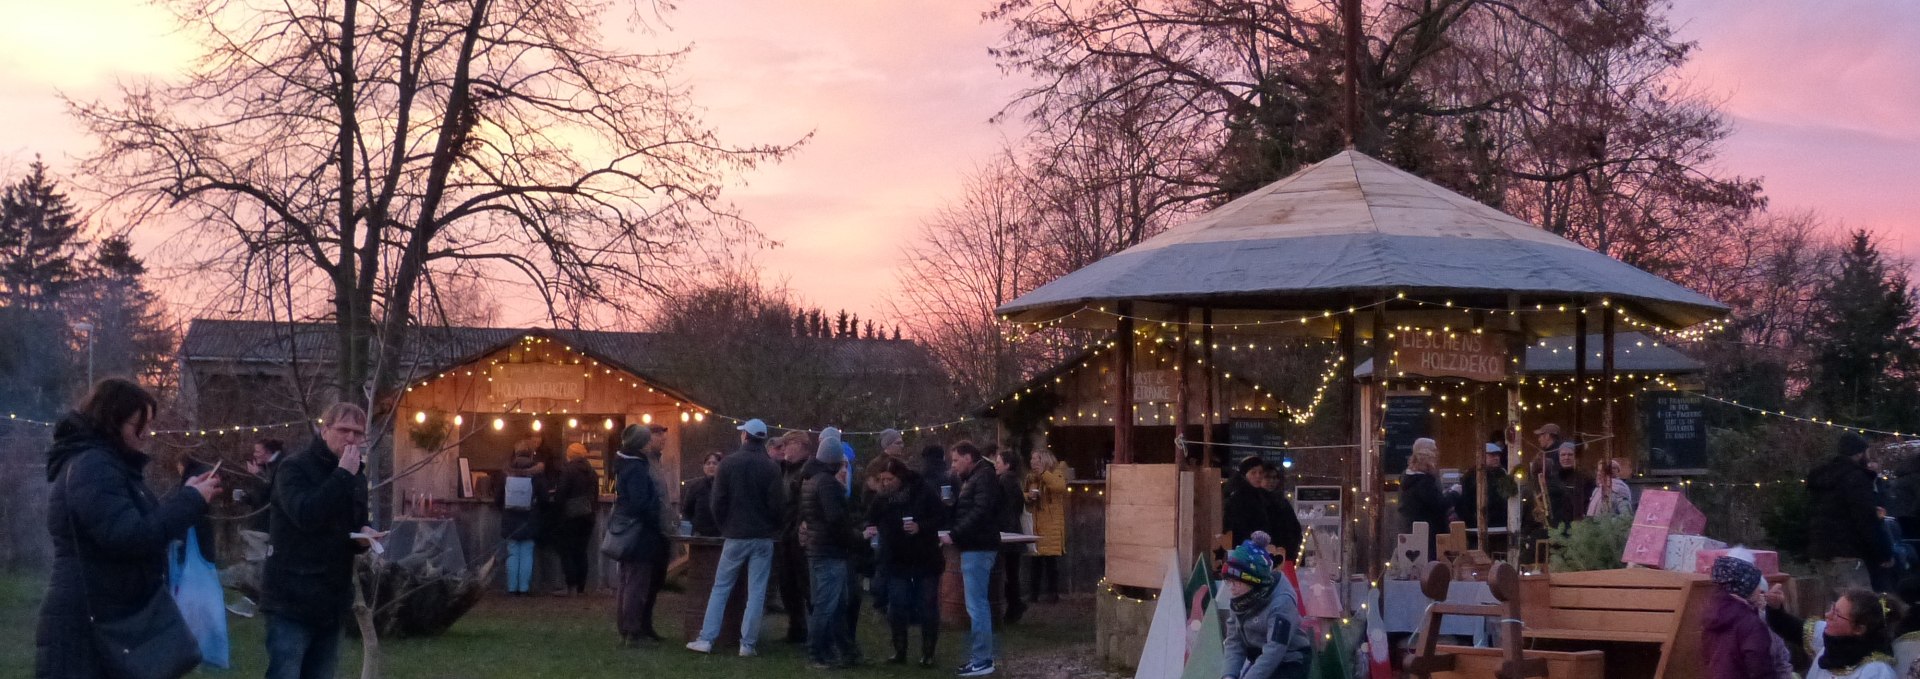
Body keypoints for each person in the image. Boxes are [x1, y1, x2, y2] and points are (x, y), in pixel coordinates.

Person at [37, 379, 221, 679]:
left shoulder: (106, 465)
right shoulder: (93, 466)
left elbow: (138, 527)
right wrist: (190, 501)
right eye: (140, 425)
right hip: (88, 626)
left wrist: (187, 496)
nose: (146, 435)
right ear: (113, 421)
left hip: (104, 616)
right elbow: (130, 537)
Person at [264, 402, 375, 679]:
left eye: (358, 433)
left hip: (331, 599)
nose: (351, 438)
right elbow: (306, 515)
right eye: (343, 430)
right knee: (287, 671)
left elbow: (349, 523)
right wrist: (342, 475)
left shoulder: (355, 474)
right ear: (324, 430)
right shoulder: (294, 468)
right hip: (291, 596)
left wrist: (364, 535)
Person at [688, 418, 787, 657]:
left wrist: (725, 526)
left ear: (745, 437)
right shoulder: (771, 467)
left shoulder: (729, 464)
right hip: (762, 537)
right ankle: (748, 644)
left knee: (721, 587)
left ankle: (707, 638)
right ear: (763, 439)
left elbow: (718, 501)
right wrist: (772, 527)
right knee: (756, 592)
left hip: (735, 535)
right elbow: (778, 505)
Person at [868, 456, 946, 666]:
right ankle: (899, 650)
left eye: (889, 479)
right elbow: (870, 518)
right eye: (882, 479)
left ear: (900, 477)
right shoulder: (882, 498)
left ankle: (928, 653)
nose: (885, 483)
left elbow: (941, 515)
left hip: (925, 556)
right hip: (896, 558)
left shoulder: (923, 491)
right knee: (897, 606)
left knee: (928, 605)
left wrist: (921, 526)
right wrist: (871, 529)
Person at [801, 428, 863, 668]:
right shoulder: (827, 484)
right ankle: (817, 652)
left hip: (818, 548)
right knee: (827, 605)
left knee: (833, 604)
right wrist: (856, 537)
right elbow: (835, 519)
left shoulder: (810, 480)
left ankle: (842, 650)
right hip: (830, 550)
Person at [943, 441, 1002, 677]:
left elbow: (980, 511)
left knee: (977, 606)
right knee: (976, 605)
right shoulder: (974, 478)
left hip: (979, 546)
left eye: (956, 460)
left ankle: (983, 659)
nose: (953, 465)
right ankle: (979, 657)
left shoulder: (983, 477)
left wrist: (955, 533)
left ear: (968, 457)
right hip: (974, 545)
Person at [1809, 434, 1892, 598]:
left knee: (1837, 608)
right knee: (1859, 608)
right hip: (1849, 553)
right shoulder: (1856, 478)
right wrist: (1883, 553)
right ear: (1859, 453)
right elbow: (1866, 519)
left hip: (1822, 550)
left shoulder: (1823, 479)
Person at [1219, 532, 1310, 679]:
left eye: (1237, 582)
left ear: (1253, 581)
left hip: (1289, 659)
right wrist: (1229, 675)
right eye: (1229, 581)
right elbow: (1234, 642)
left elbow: (1275, 650)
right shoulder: (1240, 599)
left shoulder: (1281, 602)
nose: (1232, 587)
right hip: (1258, 655)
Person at [610, 425, 669, 645]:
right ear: (640, 444)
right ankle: (633, 631)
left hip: (632, 530)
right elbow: (640, 502)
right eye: (646, 441)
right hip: (640, 532)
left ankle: (626, 629)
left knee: (628, 581)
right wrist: (654, 512)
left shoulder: (626, 464)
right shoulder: (636, 468)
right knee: (637, 583)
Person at [1701, 554, 1779, 679]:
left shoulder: (1711, 617)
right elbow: (1760, 669)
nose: (1759, 590)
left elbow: (1707, 658)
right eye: (1755, 584)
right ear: (1744, 587)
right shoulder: (1750, 624)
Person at [1805, 589, 1902, 679]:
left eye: (1836, 614)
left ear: (1859, 629)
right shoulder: (1830, 649)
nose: (1827, 615)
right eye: (1832, 608)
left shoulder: (1876, 672)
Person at [773, 429, 813, 643]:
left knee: (804, 584)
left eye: (788, 444)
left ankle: (812, 630)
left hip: (800, 534)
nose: (784, 448)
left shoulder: (808, 470)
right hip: (784, 533)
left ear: (800, 445)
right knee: (786, 584)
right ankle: (796, 627)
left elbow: (806, 503)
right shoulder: (784, 470)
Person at [550, 441, 599, 596]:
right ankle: (581, 587)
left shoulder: (568, 471)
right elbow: (595, 496)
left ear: (570, 455)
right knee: (581, 552)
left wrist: (557, 511)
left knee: (567, 551)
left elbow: (561, 495)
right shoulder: (592, 472)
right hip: (588, 516)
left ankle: (571, 586)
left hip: (570, 517)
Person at [499, 442, 547, 595]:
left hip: (510, 518)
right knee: (527, 552)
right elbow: (544, 497)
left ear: (515, 453)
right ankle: (524, 588)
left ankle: (512, 588)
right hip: (530, 518)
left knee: (512, 552)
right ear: (531, 454)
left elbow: (498, 498)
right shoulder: (537, 473)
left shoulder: (506, 472)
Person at [989, 445, 1028, 624]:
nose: (995, 465)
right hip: (1012, 530)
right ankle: (1015, 605)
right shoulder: (1012, 481)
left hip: (1008, 532)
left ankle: (1014, 606)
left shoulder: (1005, 481)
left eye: (998, 462)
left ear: (1007, 465)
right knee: (1011, 573)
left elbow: (1008, 507)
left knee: (1009, 573)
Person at [1025, 448, 1068, 604]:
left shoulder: (1056, 472)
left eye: (1036, 458)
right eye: (1032, 459)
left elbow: (1059, 487)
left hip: (1051, 525)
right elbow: (1023, 493)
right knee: (1035, 563)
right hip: (1036, 524)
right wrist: (1028, 496)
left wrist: (1043, 474)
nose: (1033, 461)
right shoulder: (1031, 478)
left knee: (1051, 563)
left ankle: (1052, 594)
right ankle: (1033, 594)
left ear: (1044, 460)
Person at [1399, 439, 1449, 557]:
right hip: (1428, 533)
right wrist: (1454, 494)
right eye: (1434, 451)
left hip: (1412, 531)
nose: (1437, 455)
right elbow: (1438, 505)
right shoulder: (1423, 481)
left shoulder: (1409, 478)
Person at [1453, 443, 1511, 545]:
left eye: (1498, 455)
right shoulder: (1470, 476)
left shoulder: (1503, 474)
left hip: (1500, 523)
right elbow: (1463, 502)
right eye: (1492, 455)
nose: (1496, 458)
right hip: (1477, 525)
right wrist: (1471, 520)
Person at [1259, 461, 1304, 562]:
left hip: (1284, 555)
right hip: (1263, 555)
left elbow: (1294, 527)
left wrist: (1292, 547)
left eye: (1274, 478)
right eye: (1267, 477)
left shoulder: (1282, 501)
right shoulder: (1255, 502)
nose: (1272, 481)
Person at [238, 437, 285, 533]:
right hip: (263, 521)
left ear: (267, 452)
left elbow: (271, 493)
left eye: (257, 452)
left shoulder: (281, 466)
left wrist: (257, 476)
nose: (254, 455)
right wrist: (246, 497)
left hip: (273, 524)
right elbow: (259, 497)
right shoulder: (266, 466)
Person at [1224, 459, 1273, 547]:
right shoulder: (1238, 497)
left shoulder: (1264, 496)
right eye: (1253, 473)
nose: (1258, 476)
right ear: (1244, 475)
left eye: (1260, 473)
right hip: (1244, 548)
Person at [682, 451, 725, 537]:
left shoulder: (725, 487)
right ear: (703, 467)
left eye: (715, 463)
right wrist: (692, 531)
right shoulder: (695, 487)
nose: (711, 466)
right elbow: (687, 512)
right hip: (699, 536)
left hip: (721, 537)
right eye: (708, 463)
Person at [1554, 443, 1596, 528]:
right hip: (1558, 527)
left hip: (1578, 526)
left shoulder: (1586, 477)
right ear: (1559, 457)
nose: (1566, 458)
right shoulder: (1555, 477)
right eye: (1563, 455)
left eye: (1570, 454)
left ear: (1576, 457)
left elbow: (1590, 502)